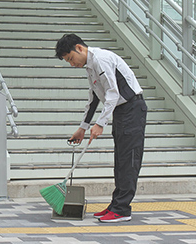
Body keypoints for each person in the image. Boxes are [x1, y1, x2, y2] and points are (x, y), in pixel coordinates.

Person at [55, 34, 147, 223]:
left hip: (132, 109)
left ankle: (122, 210)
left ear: (79, 48)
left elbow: (113, 93)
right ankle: (116, 205)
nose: (72, 64)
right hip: (121, 112)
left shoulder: (101, 59)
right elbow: (94, 98)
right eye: (68, 62)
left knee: (128, 160)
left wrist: (100, 124)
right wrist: (82, 127)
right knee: (120, 160)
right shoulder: (90, 66)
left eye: (71, 59)